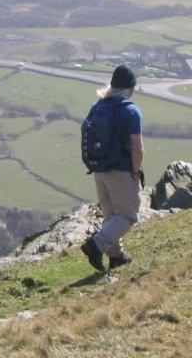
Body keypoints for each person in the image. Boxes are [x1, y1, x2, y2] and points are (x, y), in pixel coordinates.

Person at [81, 64, 144, 272]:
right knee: (127, 216)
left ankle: (116, 257)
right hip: (121, 170)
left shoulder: (98, 106)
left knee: (111, 216)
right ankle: (95, 245)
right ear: (130, 88)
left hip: (99, 168)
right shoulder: (130, 111)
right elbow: (138, 149)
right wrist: (135, 171)